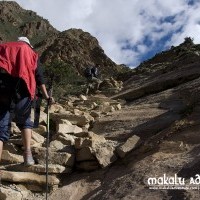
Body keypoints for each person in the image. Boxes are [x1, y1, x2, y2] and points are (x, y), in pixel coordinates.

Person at [0, 37, 53, 166]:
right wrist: (47, 96)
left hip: (2, 91)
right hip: (22, 92)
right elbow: (39, 77)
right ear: (29, 44)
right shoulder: (31, 53)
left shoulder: (4, 47)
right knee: (24, 122)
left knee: (0, 129)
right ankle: (27, 155)